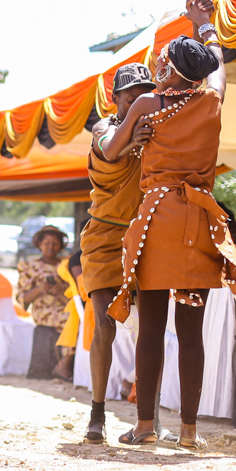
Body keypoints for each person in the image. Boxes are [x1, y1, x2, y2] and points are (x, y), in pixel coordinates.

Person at [105, 0, 236, 450]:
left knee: (151, 326)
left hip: (158, 220)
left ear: (165, 68)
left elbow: (110, 149)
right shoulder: (212, 102)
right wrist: (203, 22)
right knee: (191, 331)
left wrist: (132, 136)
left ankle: (145, 426)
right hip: (199, 222)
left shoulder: (148, 104)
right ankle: (188, 431)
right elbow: (218, 63)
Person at [79, 63, 156, 443]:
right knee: (105, 326)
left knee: (151, 329)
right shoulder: (103, 127)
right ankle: (97, 412)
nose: (140, 104)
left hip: (145, 241)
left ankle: (147, 419)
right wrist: (133, 138)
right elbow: (110, 149)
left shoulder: (154, 130)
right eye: (132, 98)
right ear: (116, 100)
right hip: (104, 239)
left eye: (146, 96)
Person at [17, 225, 70, 379]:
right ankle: (64, 365)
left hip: (65, 307)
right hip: (44, 311)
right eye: (46, 243)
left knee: (78, 318)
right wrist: (40, 289)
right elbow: (22, 298)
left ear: (61, 245)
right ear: (39, 244)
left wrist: (61, 288)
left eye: (55, 243)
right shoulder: (30, 267)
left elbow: (76, 289)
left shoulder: (65, 265)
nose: (51, 247)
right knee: (70, 321)